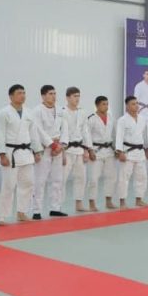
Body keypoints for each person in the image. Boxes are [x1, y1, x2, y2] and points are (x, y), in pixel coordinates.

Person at [0, 84, 46, 225]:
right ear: (11, 96)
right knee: (9, 185)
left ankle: (21, 212)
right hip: (10, 153)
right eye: (19, 93)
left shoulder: (29, 113)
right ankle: (1, 216)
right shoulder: (3, 113)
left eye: (24, 93)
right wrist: (2, 154)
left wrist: (37, 151)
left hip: (26, 153)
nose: (22, 95)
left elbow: (33, 134)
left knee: (28, 183)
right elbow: (0, 135)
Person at [31, 85, 65, 220]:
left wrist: (61, 145)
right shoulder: (37, 111)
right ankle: (36, 210)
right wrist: (52, 144)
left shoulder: (60, 110)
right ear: (43, 96)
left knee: (57, 180)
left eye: (55, 93)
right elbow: (38, 130)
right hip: (44, 148)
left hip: (58, 148)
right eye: (50, 94)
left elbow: (65, 129)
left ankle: (55, 208)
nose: (53, 96)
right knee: (40, 181)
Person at [115, 95, 148, 208]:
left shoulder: (143, 119)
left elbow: (145, 135)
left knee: (142, 176)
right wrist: (120, 152)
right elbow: (119, 137)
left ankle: (139, 199)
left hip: (140, 151)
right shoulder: (122, 120)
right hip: (127, 151)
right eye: (133, 104)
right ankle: (122, 202)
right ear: (127, 106)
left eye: (137, 103)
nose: (136, 106)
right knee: (124, 178)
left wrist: (147, 148)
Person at [60, 87, 89, 215]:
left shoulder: (82, 112)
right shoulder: (62, 112)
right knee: (62, 178)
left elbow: (86, 132)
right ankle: (57, 205)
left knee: (81, 178)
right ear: (67, 97)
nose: (77, 98)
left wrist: (87, 149)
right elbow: (60, 132)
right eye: (74, 96)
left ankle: (79, 203)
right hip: (66, 150)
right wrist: (62, 152)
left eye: (78, 96)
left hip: (80, 149)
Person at [85, 96, 116, 211]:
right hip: (96, 150)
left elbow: (115, 134)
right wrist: (90, 150)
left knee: (111, 177)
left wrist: (117, 149)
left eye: (107, 104)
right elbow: (87, 135)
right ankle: (92, 203)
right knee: (93, 178)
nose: (106, 106)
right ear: (97, 105)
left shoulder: (111, 118)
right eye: (103, 104)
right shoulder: (91, 118)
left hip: (109, 150)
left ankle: (108, 200)